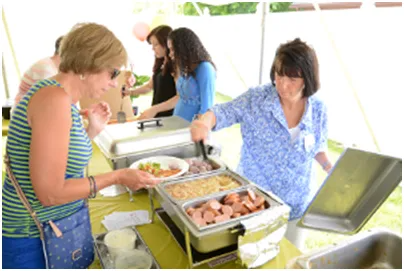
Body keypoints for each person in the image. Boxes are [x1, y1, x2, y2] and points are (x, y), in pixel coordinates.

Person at [2, 23, 160, 269]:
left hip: (53, 228)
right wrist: (117, 176)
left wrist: (92, 130)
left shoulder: (61, 96)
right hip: (32, 237)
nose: (113, 83)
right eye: (113, 73)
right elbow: (50, 193)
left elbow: (59, 162)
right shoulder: (54, 100)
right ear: (89, 65)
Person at [190, 38, 333, 250]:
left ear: (307, 78)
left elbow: (317, 146)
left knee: (290, 259)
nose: (283, 84)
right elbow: (222, 112)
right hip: (254, 202)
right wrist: (204, 122)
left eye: (292, 78)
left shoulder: (318, 108)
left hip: (297, 203)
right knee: (252, 255)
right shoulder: (256, 99)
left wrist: (328, 166)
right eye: (278, 74)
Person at [138, 27, 216, 122]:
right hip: (176, 123)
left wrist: (196, 127)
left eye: (172, 50)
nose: (170, 54)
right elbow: (180, 98)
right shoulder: (185, 69)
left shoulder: (205, 68)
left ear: (183, 48)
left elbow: (207, 108)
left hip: (191, 128)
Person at [123, 25, 177, 118]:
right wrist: (130, 92)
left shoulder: (176, 66)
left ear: (166, 43)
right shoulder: (160, 64)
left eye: (156, 44)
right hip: (157, 115)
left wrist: (155, 109)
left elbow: (179, 97)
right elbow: (149, 86)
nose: (153, 48)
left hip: (170, 116)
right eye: (152, 45)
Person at [14, 36, 63, 105]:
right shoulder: (46, 69)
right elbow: (49, 100)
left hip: (32, 108)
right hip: (25, 112)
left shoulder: (51, 65)